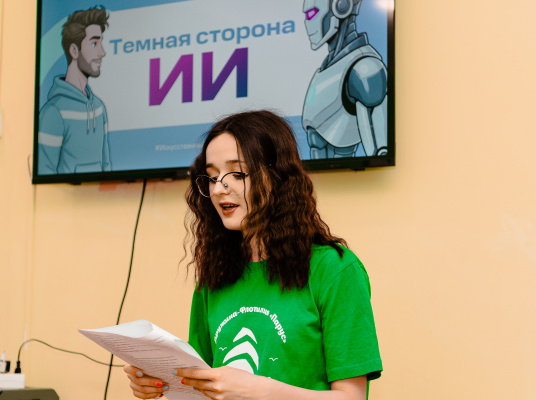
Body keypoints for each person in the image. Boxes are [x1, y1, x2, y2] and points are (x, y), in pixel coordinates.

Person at [124, 110, 382, 399]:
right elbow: (202, 386)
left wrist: (262, 390)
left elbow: (352, 397)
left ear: (277, 176)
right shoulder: (215, 274)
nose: (219, 189)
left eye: (237, 174)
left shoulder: (335, 269)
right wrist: (161, 382)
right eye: (212, 177)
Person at [302, 0, 388, 159]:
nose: (307, 22)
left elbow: (380, 152)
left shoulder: (364, 68)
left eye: (312, 14)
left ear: (341, 6)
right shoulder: (327, 69)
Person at [38, 5, 111, 174]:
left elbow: (106, 166)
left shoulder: (99, 108)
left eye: (101, 43)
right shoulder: (53, 112)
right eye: (94, 44)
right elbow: (45, 170)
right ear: (74, 50)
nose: (102, 52)